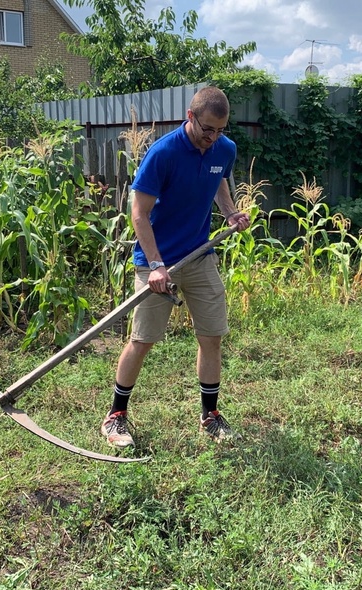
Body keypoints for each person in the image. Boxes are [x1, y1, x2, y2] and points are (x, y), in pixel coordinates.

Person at [101, 86, 250, 449]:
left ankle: (210, 416)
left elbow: (219, 183)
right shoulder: (163, 153)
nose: (213, 138)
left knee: (211, 336)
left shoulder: (223, 150)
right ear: (190, 117)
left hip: (199, 256)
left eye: (220, 131)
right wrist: (155, 265)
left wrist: (229, 211)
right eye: (207, 130)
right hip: (157, 262)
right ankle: (115, 416)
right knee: (143, 340)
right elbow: (139, 213)